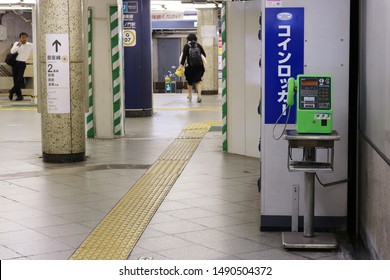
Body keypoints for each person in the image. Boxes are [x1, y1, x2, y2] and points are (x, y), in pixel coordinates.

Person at [180, 33, 206, 103]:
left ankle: (190, 95)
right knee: (198, 81)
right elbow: (204, 55)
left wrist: (181, 65)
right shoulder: (199, 46)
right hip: (199, 67)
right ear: (195, 39)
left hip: (190, 67)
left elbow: (184, 57)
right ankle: (199, 95)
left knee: (189, 81)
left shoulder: (186, 46)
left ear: (188, 39)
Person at [9, 32, 33, 101]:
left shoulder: (30, 45)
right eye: (22, 37)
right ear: (20, 38)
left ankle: (11, 91)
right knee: (15, 80)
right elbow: (12, 51)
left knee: (19, 79)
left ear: (27, 38)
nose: (24, 39)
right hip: (15, 63)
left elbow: (37, 48)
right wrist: (18, 46)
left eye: (25, 37)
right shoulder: (16, 43)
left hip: (22, 64)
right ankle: (19, 96)